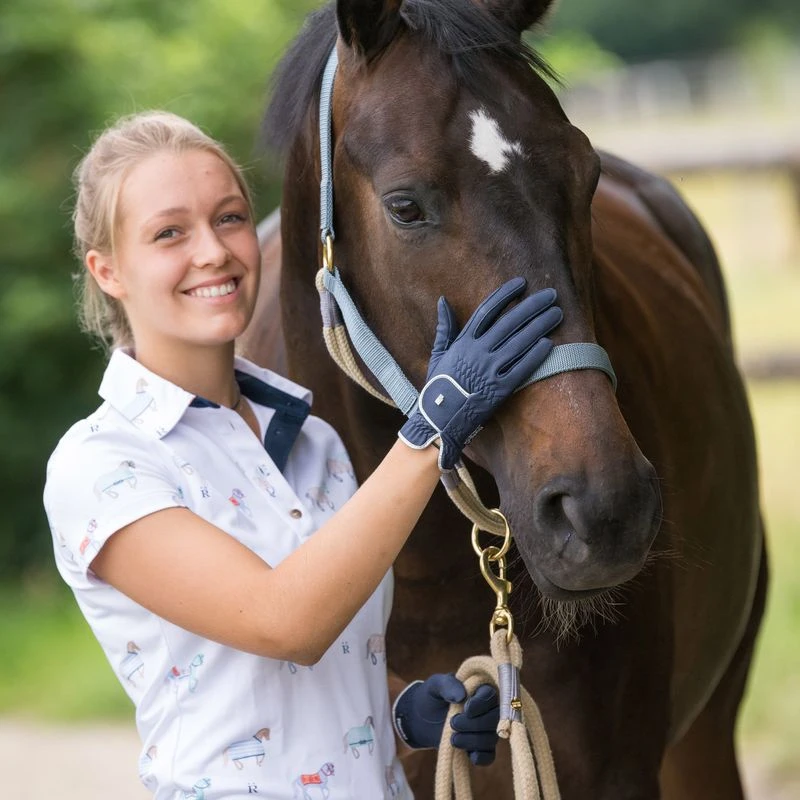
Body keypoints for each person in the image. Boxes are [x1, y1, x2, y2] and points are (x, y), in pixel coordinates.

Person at [43, 110, 563, 799]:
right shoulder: (101, 464)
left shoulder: (313, 441)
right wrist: (434, 423)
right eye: (170, 233)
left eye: (229, 219)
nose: (213, 251)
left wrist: (403, 709)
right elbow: (280, 621)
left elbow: (311, 666)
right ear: (108, 270)